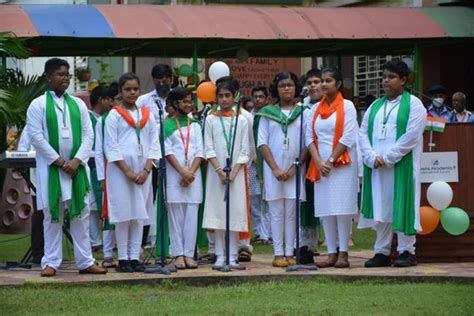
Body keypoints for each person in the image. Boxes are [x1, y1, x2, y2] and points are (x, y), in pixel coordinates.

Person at [26, 58, 106, 277]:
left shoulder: (78, 104)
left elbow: (89, 133)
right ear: (48, 78)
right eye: (60, 74)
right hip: (52, 169)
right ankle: (51, 262)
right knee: (53, 215)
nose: (65, 79)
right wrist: (60, 162)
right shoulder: (38, 104)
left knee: (81, 215)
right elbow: (36, 137)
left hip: (77, 169)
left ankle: (85, 262)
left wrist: (76, 160)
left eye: (67, 75)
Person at [359, 59, 426, 268]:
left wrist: (387, 157)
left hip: (400, 167)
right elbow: (362, 133)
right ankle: (382, 251)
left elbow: (412, 136)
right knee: (381, 206)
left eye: (391, 77)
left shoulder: (414, 104)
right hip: (377, 167)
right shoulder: (375, 106)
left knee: (403, 204)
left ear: (403, 80)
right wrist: (370, 156)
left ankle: (407, 251)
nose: (385, 81)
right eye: (384, 77)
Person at [103, 72, 161, 272]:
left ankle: (135, 256)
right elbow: (110, 146)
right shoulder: (114, 115)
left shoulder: (148, 115)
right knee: (123, 214)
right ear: (120, 92)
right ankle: (124, 258)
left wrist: (146, 169)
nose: (132, 93)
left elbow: (154, 144)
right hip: (121, 173)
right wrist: (127, 171)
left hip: (144, 173)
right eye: (128, 89)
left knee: (139, 214)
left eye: (135, 89)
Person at [305, 67, 359, 268]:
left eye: (328, 81)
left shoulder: (347, 106)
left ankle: (343, 252)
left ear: (338, 84)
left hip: (342, 162)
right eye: (322, 81)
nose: (323, 84)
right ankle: (330, 253)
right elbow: (309, 137)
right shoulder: (314, 109)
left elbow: (348, 136)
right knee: (326, 208)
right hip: (320, 163)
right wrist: (319, 161)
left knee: (342, 208)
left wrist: (331, 160)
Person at [255, 72, 307, 268]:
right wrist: (276, 169)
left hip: (295, 169)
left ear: (296, 87)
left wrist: (295, 167)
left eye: (290, 85)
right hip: (273, 171)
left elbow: (306, 143)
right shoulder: (267, 113)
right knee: (276, 212)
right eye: (282, 85)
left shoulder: (303, 112)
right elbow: (262, 143)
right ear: (276, 89)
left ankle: (290, 251)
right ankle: (278, 253)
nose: (287, 88)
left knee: (292, 212)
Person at [202, 79, 250, 268]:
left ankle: (233, 255)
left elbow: (245, 150)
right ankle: (220, 255)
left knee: (234, 213)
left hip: (236, 175)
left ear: (235, 96)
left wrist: (234, 172)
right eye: (220, 96)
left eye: (227, 95)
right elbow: (208, 147)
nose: (224, 99)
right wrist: (220, 172)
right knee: (218, 213)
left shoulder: (242, 120)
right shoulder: (210, 120)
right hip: (216, 175)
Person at [163, 87, 204, 269]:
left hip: (193, 176)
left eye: (190, 101)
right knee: (175, 215)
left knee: (191, 216)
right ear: (175, 103)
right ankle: (178, 253)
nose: (188, 105)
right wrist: (182, 172)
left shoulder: (195, 124)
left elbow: (199, 151)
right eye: (184, 101)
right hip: (174, 176)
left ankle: (189, 253)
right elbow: (168, 152)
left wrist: (190, 173)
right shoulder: (166, 125)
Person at [136, 64, 173, 246]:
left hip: (174, 156)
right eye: (158, 77)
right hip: (151, 157)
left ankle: (169, 241)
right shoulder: (143, 100)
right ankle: (142, 241)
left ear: (171, 79)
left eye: (165, 77)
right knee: (147, 198)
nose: (162, 81)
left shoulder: (177, 98)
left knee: (171, 198)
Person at [94, 82, 120, 268]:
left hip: (128, 172)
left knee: (125, 214)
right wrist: (102, 178)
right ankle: (108, 254)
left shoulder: (132, 117)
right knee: (108, 214)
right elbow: (98, 151)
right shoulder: (103, 120)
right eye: (116, 99)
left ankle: (128, 253)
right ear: (110, 101)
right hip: (110, 171)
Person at [299, 68, 324, 263]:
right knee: (307, 202)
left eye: (318, 81)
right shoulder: (302, 107)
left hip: (329, 160)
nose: (314, 85)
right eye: (310, 82)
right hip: (307, 160)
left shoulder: (334, 105)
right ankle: (307, 243)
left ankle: (337, 244)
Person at [88, 86, 114, 252]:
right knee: (91, 207)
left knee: (106, 204)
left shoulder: (107, 118)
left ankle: (108, 240)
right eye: (109, 99)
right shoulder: (89, 118)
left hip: (107, 165)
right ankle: (94, 240)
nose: (111, 103)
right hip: (91, 166)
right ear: (100, 100)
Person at [248, 86, 272, 245]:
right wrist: (253, 157)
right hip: (252, 163)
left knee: (268, 200)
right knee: (254, 200)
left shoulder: (271, 116)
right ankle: (258, 232)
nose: (258, 99)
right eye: (255, 96)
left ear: (266, 99)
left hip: (268, 163)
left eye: (261, 96)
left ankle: (268, 233)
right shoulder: (247, 118)